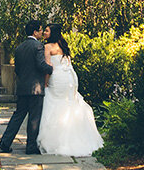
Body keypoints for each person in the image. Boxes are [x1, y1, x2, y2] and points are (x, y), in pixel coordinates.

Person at [36, 23, 104, 157]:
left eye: (47, 30)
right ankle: (77, 136)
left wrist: (45, 83)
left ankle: (56, 140)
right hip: (69, 78)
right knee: (69, 104)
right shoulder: (63, 45)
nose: (44, 32)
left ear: (52, 33)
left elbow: (49, 67)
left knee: (54, 103)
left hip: (57, 78)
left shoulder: (48, 47)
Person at [0, 19, 53, 154]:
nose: (41, 32)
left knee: (18, 116)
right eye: (40, 30)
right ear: (35, 32)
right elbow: (41, 65)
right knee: (34, 117)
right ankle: (31, 147)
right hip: (36, 88)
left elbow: (18, 69)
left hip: (22, 88)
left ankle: (5, 142)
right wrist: (50, 68)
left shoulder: (19, 47)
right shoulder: (38, 46)